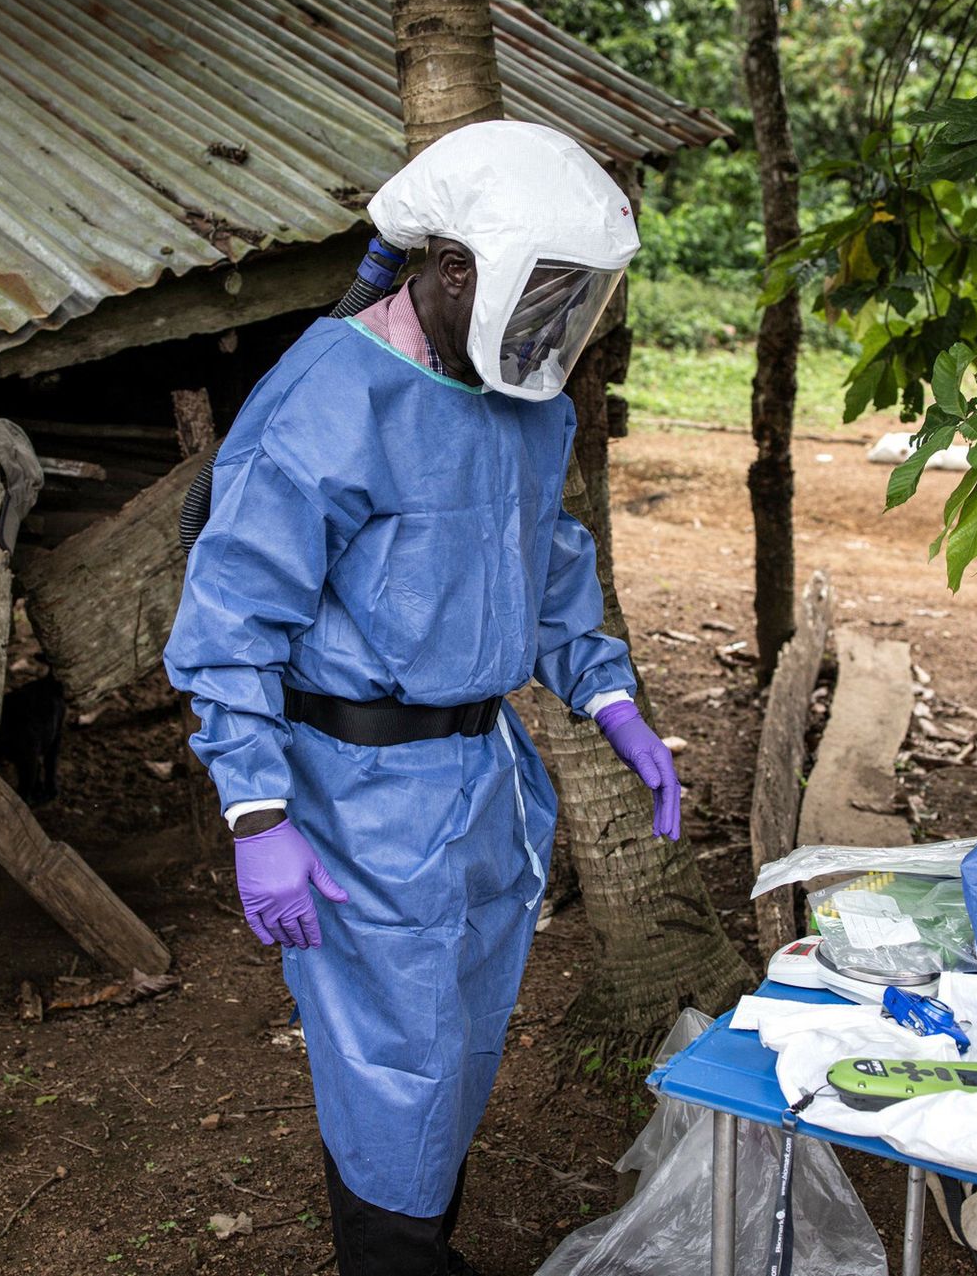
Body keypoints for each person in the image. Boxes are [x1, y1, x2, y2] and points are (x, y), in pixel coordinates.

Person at [164, 120, 682, 1276]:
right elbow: (230, 622)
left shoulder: (528, 402)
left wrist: (608, 698)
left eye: (575, 298)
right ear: (452, 270)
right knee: (390, 1062)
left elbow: (549, 566)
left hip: (482, 781)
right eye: (540, 291)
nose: (553, 324)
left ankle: (415, 1238)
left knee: (454, 1042)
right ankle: (396, 1259)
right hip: (359, 795)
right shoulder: (327, 399)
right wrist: (257, 814)